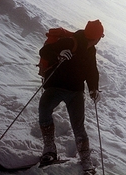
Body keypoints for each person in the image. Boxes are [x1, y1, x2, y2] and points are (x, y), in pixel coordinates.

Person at [38, 20, 104, 175]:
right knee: (45, 110)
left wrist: (94, 89)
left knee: (77, 125)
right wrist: (58, 53)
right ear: (97, 37)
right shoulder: (70, 41)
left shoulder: (91, 50)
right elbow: (44, 52)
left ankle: (85, 159)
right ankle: (49, 150)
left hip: (76, 92)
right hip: (56, 87)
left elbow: (91, 71)